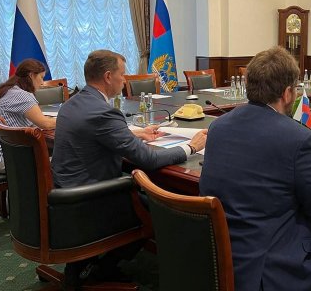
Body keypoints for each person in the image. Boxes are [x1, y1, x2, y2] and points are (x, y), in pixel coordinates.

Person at [51, 49, 207, 288]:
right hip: (90, 201)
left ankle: (91, 265)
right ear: (107, 76)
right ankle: (99, 270)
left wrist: (134, 134)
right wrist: (191, 147)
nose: (124, 80)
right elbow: (148, 160)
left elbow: (95, 135)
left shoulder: (73, 103)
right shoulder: (103, 112)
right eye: (122, 74)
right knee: (161, 209)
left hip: (66, 193)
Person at [200, 46, 311, 291]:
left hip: (218, 263)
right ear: (287, 93)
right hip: (270, 273)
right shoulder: (298, 138)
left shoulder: (218, 127)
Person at [0, 59, 56, 174]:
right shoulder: (22, 95)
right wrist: (66, 119)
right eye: (41, 77)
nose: (42, 83)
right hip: (2, 159)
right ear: (31, 75)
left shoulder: (9, 89)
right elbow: (45, 124)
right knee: (60, 161)